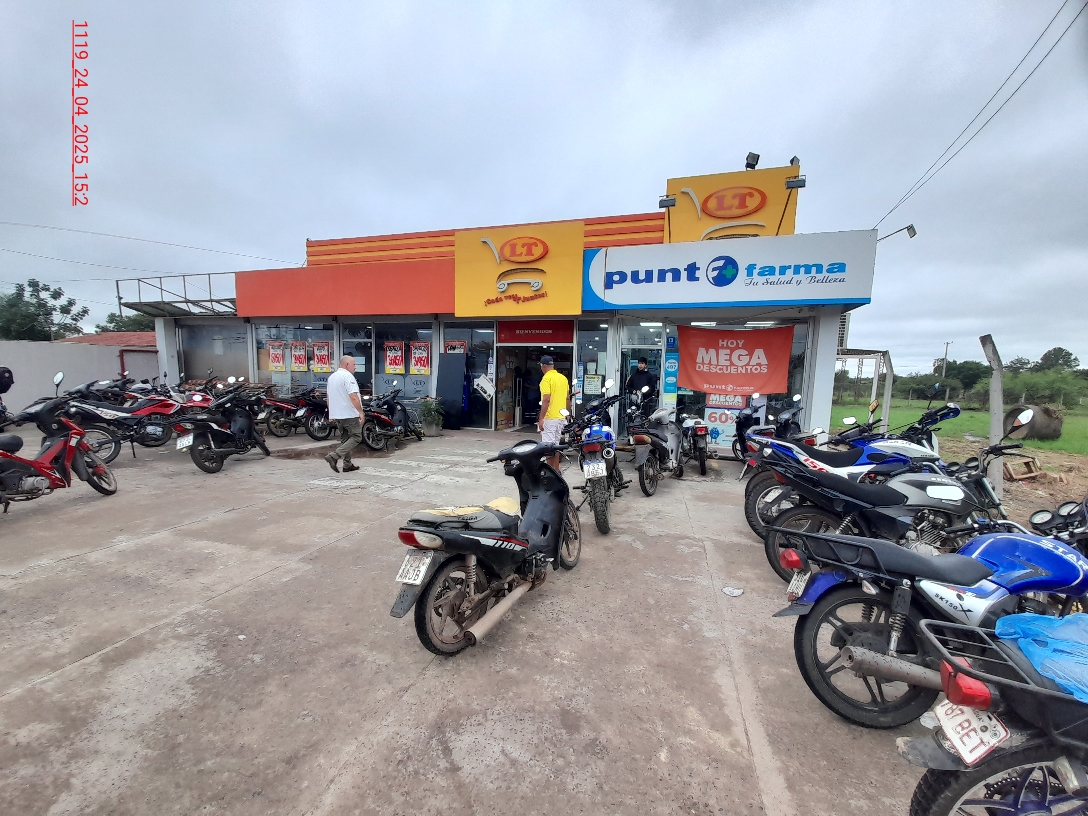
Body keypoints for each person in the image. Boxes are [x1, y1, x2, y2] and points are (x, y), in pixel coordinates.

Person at [324, 355, 366, 473]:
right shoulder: (347, 376)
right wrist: (361, 412)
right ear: (347, 365)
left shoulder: (332, 377)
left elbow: (329, 397)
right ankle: (334, 456)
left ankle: (347, 465)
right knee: (356, 437)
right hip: (349, 414)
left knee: (345, 439)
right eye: (354, 364)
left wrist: (331, 413)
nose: (355, 367)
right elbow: (353, 396)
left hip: (338, 415)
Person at [536, 355, 570, 471]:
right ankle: (557, 471)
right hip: (560, 418)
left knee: (548, 448)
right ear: (552, 365)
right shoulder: (563, 378)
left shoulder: (546, 379)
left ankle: (551, 474)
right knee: (555, 447)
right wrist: (567, 414)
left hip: (550, 418)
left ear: (543, 366)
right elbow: (567, 399)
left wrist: (541, 418)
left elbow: (546, 399)